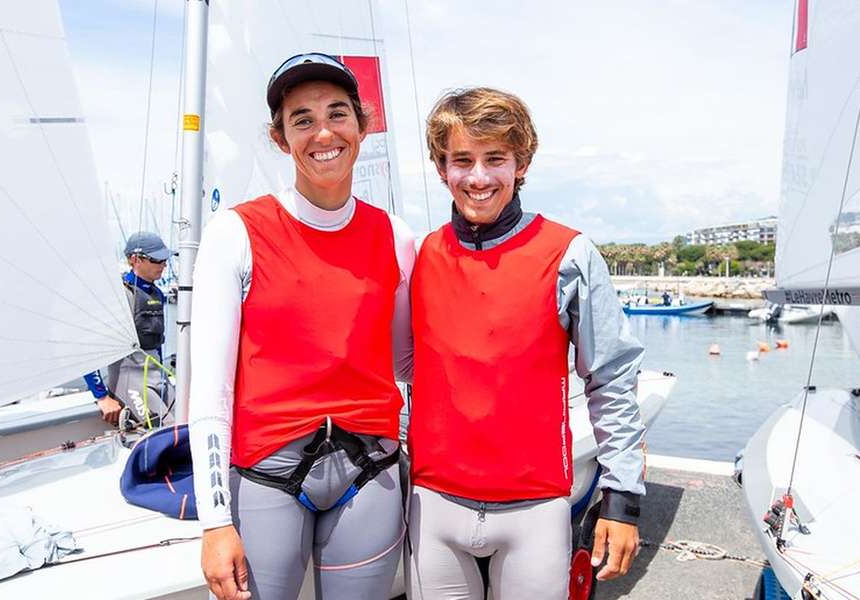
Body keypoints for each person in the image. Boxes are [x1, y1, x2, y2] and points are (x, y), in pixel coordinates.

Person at [188, 53, 415, 600]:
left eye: (338, 114)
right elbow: (210, 390)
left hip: (371, 470)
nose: (324, 133)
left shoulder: (396, 237)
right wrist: (215, 523)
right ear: (280, 137)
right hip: (268, 474)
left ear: (362, 125)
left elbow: (407, 364)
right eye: (302, 120)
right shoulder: (235, 233)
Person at [407, 87, 645, 599]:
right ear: (440, 167)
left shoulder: (569, 254)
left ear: (521, 163)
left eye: (496, 159)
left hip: (534, 508)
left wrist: (621, 497)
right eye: (462, 160)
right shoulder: (423, 256)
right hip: (434, 506)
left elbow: (611, 380)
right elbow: (405, 366)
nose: (478, 177)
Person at [83, 231, 172, 426]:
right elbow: (86, 348)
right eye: (158, 259)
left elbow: (157, 346)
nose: (164, 264)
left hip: (158, 377)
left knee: (189, 425)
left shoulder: (157, 294)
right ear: (135, 259)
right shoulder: (119, 296)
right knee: (169, 432)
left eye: (165, 259)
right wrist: (102, 397)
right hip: (130, 381)